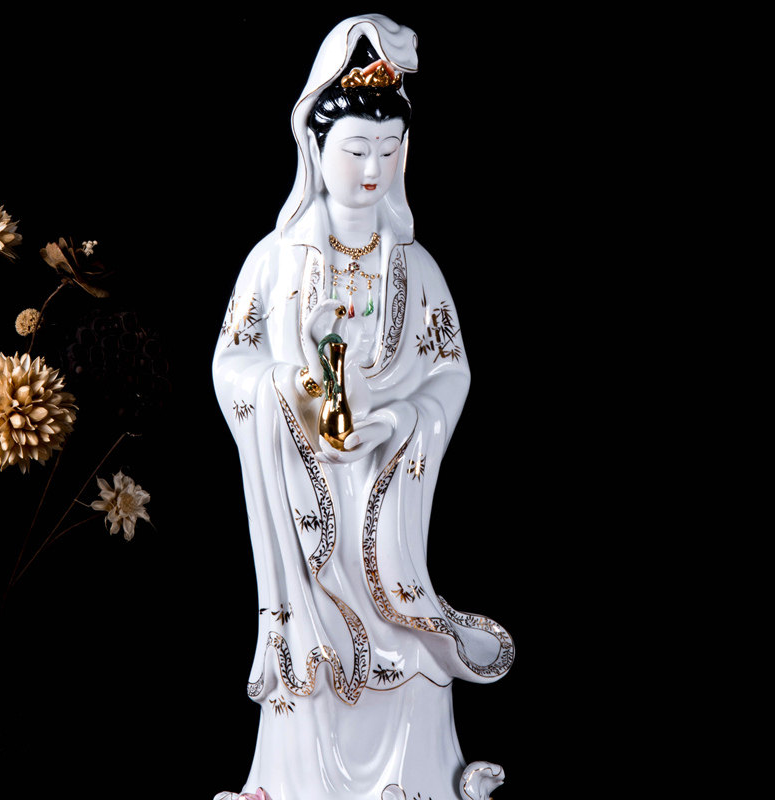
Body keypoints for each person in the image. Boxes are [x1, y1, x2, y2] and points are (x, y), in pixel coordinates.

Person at [212, 15, 513, 800]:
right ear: (316, 150)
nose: (372, 168)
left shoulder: (417, 269)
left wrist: (403, 419)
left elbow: (451, 371)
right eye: (355, 150)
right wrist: (291, 390)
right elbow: (233, 363)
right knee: (314, 660)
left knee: (407, 651)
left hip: (388, 499)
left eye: (388, 149)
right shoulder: (275, 263)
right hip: (304, 500)